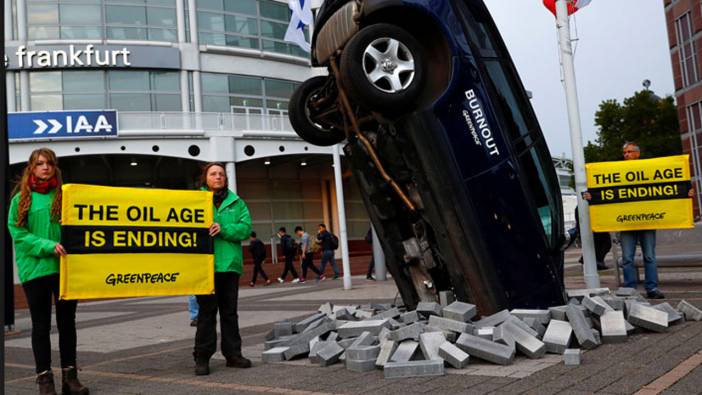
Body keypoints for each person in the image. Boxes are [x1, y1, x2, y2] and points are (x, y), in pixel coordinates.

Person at [7, 148, 89, 395]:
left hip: (64, 269)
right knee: (40, 326)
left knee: (67, 324)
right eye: (40, 163)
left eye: (50, 163)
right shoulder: (21, 199)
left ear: (55, 168)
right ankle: (45, 380)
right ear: (31, 167)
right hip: (36, 270)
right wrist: (48, 246)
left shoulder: (65, 197)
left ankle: (70, 378)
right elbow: (18, 234)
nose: (45, 167)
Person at [584, 142, 695, 299]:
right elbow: (604, 192)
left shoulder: (648, 169)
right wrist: (590, 196)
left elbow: (669, 187)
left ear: (637, 154)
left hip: (647, 222)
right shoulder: (617, 172)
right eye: (625, 153)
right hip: (626, 223)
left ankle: (652, 288)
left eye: (629, 152)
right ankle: (630, 290)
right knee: (628, 258)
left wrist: (686, 192)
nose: (626, 155)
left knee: (649, 256)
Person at [193, 162, 252, 375]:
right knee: (206, 313)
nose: (218, 177)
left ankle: (233, 355)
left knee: (229, 313)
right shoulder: (195, 201)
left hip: (229, 265)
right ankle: (202, 358)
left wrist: (224, 228)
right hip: (204, 266)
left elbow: (246, 229)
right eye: (213, 173)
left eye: (221, 174)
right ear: (205, 178)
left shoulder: (237, 202)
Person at [573, 206, 612, 271]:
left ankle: (593, 260)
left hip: (593, 226)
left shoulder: (579, 207)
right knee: (604, 244)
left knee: (597, 245)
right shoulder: (582, 207)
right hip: (595, 226)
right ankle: (597, 261)